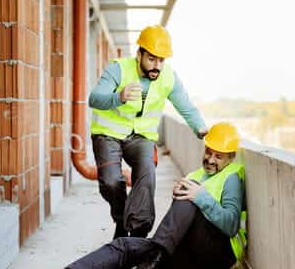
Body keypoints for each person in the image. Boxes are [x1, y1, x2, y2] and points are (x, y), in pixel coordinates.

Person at [24, 122, 246, 269]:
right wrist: (182, 197)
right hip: (185, 250)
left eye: (218, 156)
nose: (210, 159)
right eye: (209, 152)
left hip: (219, 253)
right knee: (124, 245)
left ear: (231, 158)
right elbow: (179, 222)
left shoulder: (232, 177)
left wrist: (200, 197)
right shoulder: (196, 175)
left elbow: (231, 225)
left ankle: (156, 260)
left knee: (191, 190)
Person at [88, 24, 207, 239]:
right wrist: (119, 97)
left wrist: (201, 130)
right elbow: (94, 99)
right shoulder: (119, 69)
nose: (157, 65)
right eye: (151, 59)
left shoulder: (168, 77)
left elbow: (186, 107)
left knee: (147, 174)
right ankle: (121, 221)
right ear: (139, 53)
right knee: (111, 181)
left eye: (161, 60)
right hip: (108, 134)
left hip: (141, 137)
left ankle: (140, 231)